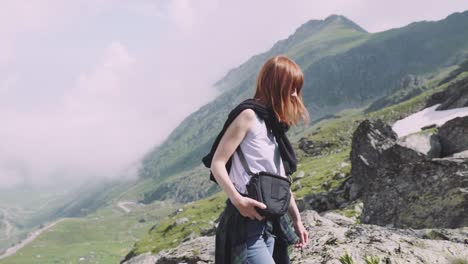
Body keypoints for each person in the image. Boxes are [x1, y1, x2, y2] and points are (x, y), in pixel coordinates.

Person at [207, 55, 311, 263]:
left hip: (271, 225)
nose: (293, 94)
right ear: (275, 84)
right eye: (291, 87)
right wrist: (239, 201)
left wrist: (297, 221)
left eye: (296, 88)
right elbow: (217, 163)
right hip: (245, 225)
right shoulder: (248, 116)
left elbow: (279, 182)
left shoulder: (273, 126)